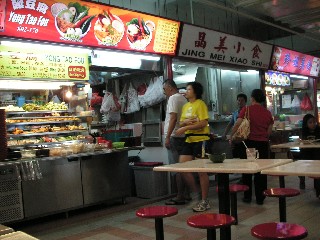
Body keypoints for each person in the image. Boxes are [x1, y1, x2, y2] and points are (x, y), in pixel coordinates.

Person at [230, 89, 274, 205]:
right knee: (261, 171)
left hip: (250, 144)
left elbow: (237, 123)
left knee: (248, 170)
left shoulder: (247, 109)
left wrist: (231, 136)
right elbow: (269, 131)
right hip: (263, 145)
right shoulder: (267, 113)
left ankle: (247, 196)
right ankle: (260, 197)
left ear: (252, 98)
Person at [175, 82, 211, 212]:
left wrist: (186, 127)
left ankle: (205, 200)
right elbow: (181, 123)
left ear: (195, 91)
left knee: (201, 171)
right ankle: (197, 194)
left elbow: (203, 122)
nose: (186, 91)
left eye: (189, 89)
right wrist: (184, 123)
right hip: (188, 139)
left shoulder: (200, 104)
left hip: (201, 140)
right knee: (182, 168)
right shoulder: (186, 106)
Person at [162, 79, 189, 205]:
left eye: (164, 89)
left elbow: (173, 118)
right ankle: (186, 194)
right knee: (184, 167)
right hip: (183, 136)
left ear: (170, 88)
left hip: (174, 136)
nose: (164, 92)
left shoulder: (173, 98)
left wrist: (167, 137)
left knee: (177, 168)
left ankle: (180, 196)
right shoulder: (183, 99)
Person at [299, 114, 320, 198]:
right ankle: (302, 179)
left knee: (317, 166)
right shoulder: (304, 131)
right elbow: (302, 143)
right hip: (306, 154)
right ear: (306, 124)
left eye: (314, 122)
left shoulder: (319, 130)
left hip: (316, 153)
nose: (313, 124)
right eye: (310, 122)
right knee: (301, 161)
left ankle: (318, 189)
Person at [223, 93, 247, 158]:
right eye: (238, 100)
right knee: (235, 156)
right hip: (235, 138)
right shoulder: (235, 112)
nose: (240, 102)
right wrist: (224, 134)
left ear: (245, 102)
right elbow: (230, 124)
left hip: (244, 138)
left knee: (244, 157)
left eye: (242, 100)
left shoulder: (247, 112)